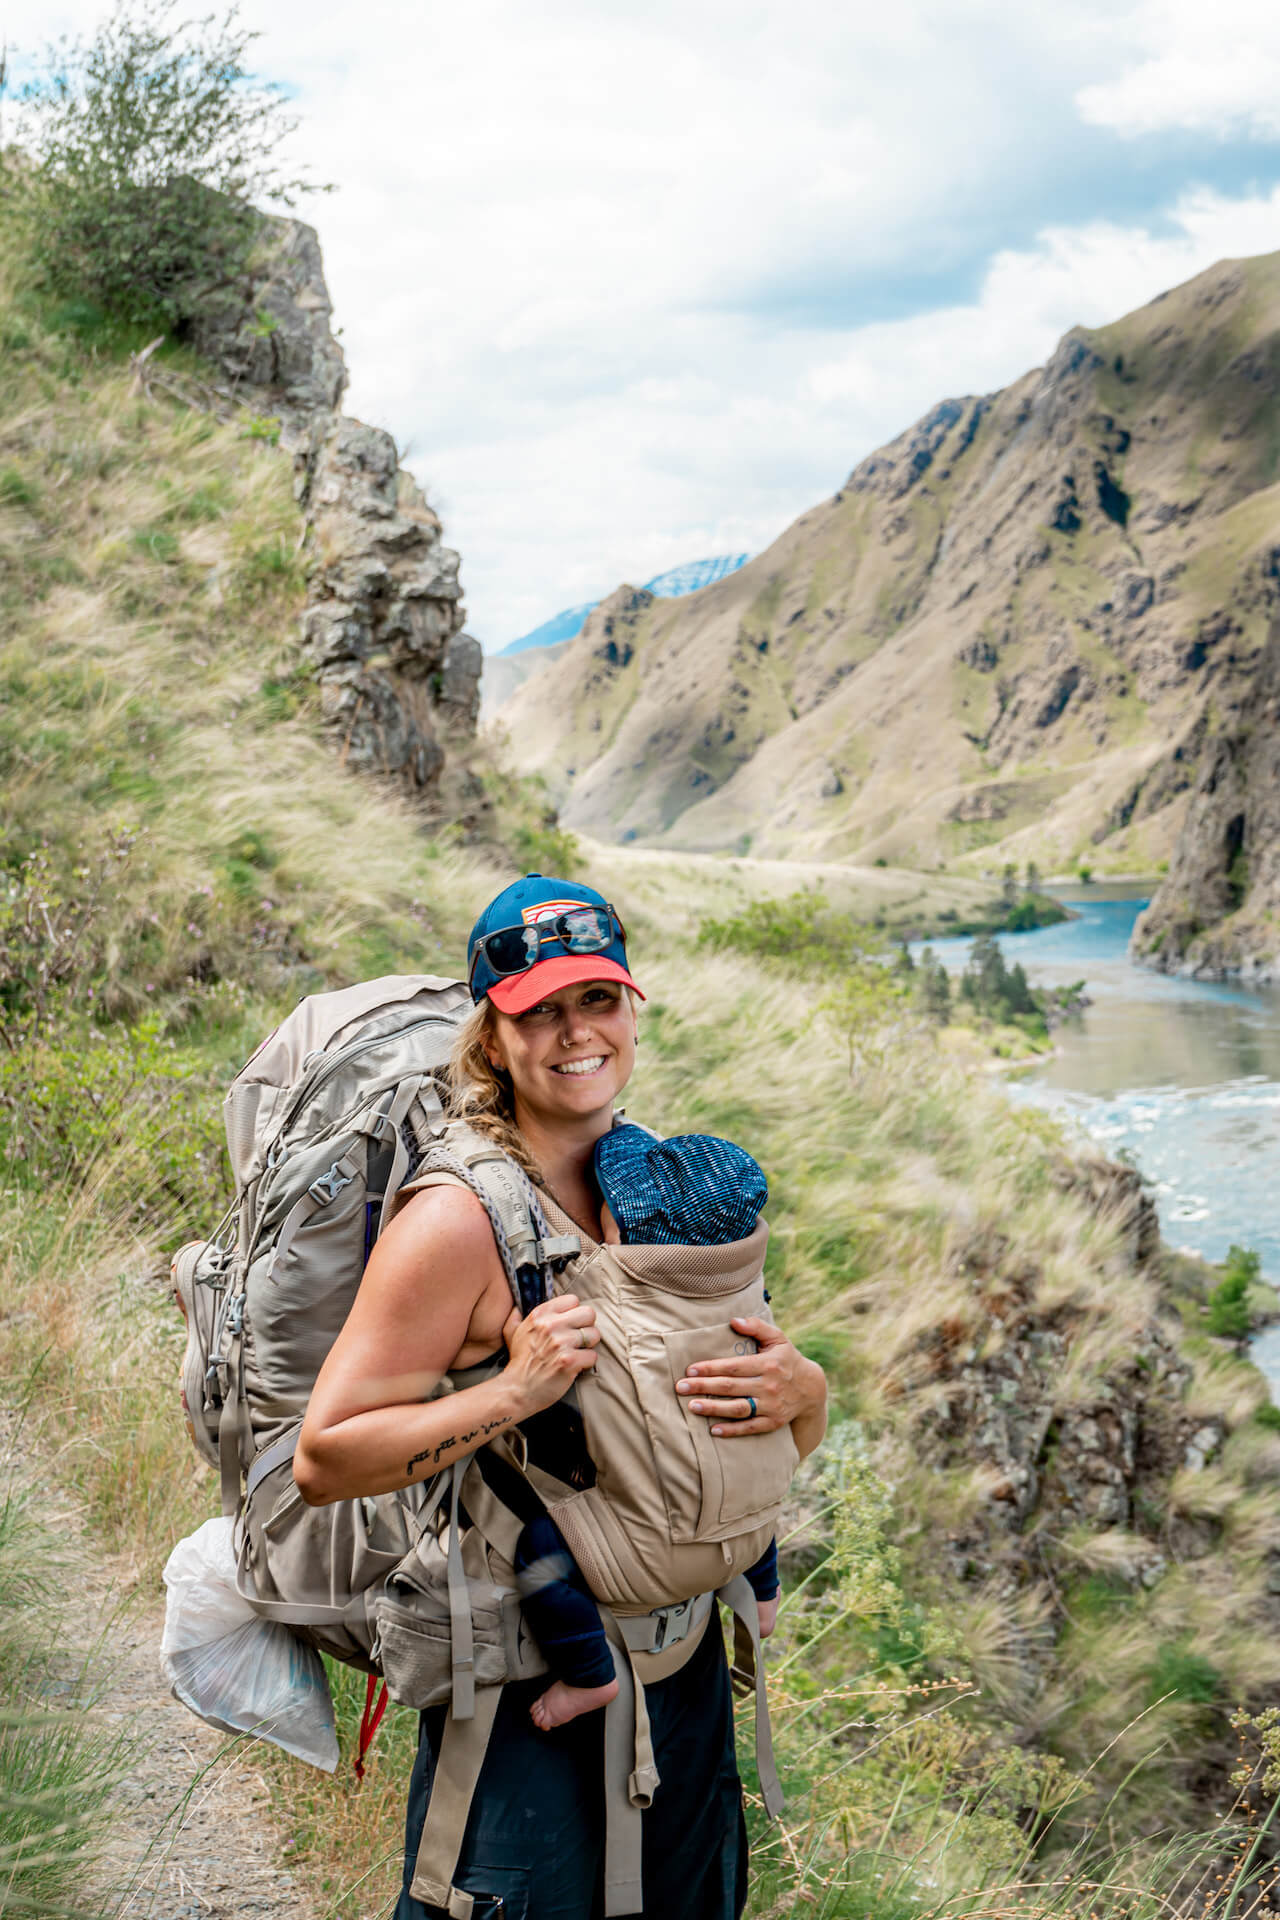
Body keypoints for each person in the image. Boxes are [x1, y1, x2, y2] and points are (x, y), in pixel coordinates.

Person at [294, 873, 829, 1920]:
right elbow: (328, 1457)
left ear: (632, 1008)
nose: (573, 1033)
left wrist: (804, 1393)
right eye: (537, 1010)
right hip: (524, 1690)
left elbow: (724, 1440)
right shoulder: (455, 1220)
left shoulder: (662, 1186)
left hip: (683, 1672)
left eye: (595, 1000)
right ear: (491, 1036)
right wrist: (515, 1388)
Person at [516, 1126, 782, 1733]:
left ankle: (589, 1676)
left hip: (650, 1565)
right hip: (748, 1528)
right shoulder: (746, 1288)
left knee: (537, 1548)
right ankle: (762, 1600)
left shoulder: (602, 1299)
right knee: (744, 1473)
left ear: (623, 1230)